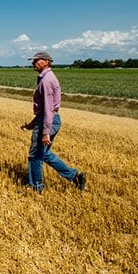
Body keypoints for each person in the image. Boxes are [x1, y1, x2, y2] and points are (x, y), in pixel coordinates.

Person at [21, 51, 86, 193]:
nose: (33, 63)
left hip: (48, 120)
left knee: (35, 155)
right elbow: (45, 108)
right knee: (44, 154)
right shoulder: (45, 78)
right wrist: (31, 125)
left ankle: (35, 187)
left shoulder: (46, 80)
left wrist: (45, 132)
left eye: (36, 60)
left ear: (46, 62)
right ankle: (75, 175)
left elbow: (49, 109)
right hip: (46, 119)